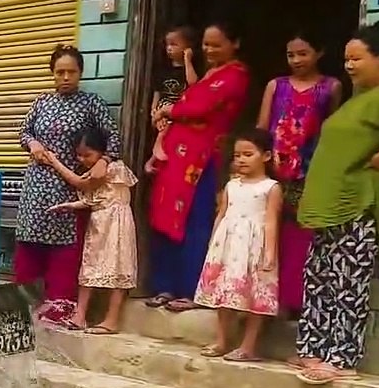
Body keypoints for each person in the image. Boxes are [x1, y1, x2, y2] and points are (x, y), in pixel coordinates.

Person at [292, 21, 379, 384]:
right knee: (320, 278)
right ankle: (314, 348)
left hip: (359, 203)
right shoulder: (359, 98)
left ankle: (342, 357)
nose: (348, 66)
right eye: (346, 59)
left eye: (357, 59)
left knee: (349, 282)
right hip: (331, 204)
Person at [146, 23, 251, 313]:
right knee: (164, 217)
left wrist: (171, 110)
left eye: (216, 44)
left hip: (202, 161)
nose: (209, 50)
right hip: (176, 159)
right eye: (206, 44)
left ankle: (192, 289)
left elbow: (198, 107)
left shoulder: (236, 75)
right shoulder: (207, 75)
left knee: (195, 222)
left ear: (235, 44)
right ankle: (164, 286)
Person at [16, 44, 121, 324]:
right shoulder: (42, 102)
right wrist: (33, 142)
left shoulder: (91, 103)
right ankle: (26, 301)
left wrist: (105, 160)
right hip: (36, 185)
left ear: (80, 73)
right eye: (60, 72)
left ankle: (59, 304)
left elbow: (112, 135)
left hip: (70, 185)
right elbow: (24, 132)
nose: (65, 77)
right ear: (52, 73)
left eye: (71, 72)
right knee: (30, 239)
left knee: (65, 244)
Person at [255, 33, 342, 316]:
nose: (296, 60)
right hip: (274, 171)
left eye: (303, 53)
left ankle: (292, 301)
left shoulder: (331, 87)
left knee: (299, 236)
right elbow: (262, 128)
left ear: (319, 52)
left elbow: (333, 130)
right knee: (266, 232)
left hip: (309, 172)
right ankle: (259, 299)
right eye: (291, 54)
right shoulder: (275, 86)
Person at [193, 129, 282, 360]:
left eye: (248, 154)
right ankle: (222, 340)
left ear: (266, 156)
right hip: (229, 245)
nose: (241, 159)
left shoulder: (271, 187)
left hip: (255, 246)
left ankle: (248, 346)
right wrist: (213, 245)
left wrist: (270, 253)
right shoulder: (232, 186)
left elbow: (271, 221)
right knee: (224, 293)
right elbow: (221, 214)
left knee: (255, 296)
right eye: (237, 155)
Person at [44, 126, 138, 334]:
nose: (82, 160)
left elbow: (80, 183)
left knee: (118, 267)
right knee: (89, 267)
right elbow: (93, 200)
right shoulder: (97, 170)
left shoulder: (114, 168)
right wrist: (68, 206)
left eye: (88, 154)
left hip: (116, 223)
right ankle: (80, 316)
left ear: (102, 152)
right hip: (99, 222)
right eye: (79, 155)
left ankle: (112, 320)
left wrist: (54, 161)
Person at [145, 26, 200, 174]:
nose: (169, 48)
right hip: (163, 109)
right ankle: (154, 158)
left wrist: (187, 60)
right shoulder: (162, 71)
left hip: (179, 110)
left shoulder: (192, 69)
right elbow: (157, 94)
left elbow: (193, 84)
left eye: (174, 44)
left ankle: (155, 159)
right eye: (167, 45)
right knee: (163, 130)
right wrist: (154, 114)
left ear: (187, 47)